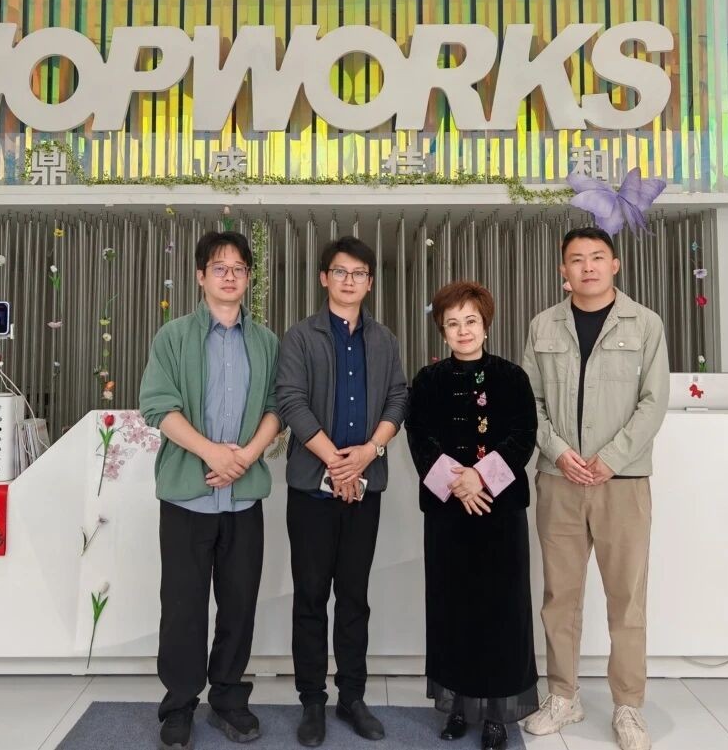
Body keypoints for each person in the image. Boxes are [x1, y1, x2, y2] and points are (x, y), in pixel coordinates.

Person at [520, 226, 669, 750]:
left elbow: (653, 402)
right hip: (559, 478)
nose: (587, 266)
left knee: (626, 598)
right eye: (577, 259)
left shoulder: (645, 324)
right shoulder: (543, 326)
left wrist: (610, 459)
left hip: (621, 482)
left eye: (597, 257)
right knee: (559, 597)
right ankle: (563, 696)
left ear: (615, 265)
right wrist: (559, 451)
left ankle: (628, 706)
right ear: (563, 270)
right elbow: (528, 402)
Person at [139, 230, 282, 750]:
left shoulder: (266, 342)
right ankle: (179, 704)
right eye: (219, 267)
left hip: (244, 498)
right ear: (201, 276)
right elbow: (158, 405)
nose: (229, 276)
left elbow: (277, 407)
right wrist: (213, 453)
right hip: (187, 495)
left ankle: (228, 699)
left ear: (248, 279)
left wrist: (244, 458)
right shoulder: (173, 336)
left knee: (239, 603)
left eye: (239, 268)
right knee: (183, 605)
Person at [275, 236, 409, 747]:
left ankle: (352, 697)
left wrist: (368, 453)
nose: (349, 280)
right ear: (324, 278)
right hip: (312, 492)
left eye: (359, 273)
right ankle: (312, 700)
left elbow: (398, 398)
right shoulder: (300, 337)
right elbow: (291, 401)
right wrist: (337, 462)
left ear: (369, 282)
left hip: (365, 488)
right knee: (310, 597)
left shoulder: (384, 339)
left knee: (354, 597)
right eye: (340, 271)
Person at [404, 280, 539, 750]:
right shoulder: (428, 380)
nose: (463, 331)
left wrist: (480, 478)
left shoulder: (512, 377)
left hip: (500, 513)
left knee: (501, 611)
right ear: (443, 331)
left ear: (486, 326)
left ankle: (498, 714)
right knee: (452, 608)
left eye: (471, 321)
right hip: (448, 514)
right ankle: (458, 706)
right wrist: (457, 483)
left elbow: (523, 434)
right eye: (453, 323)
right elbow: (419, 436)